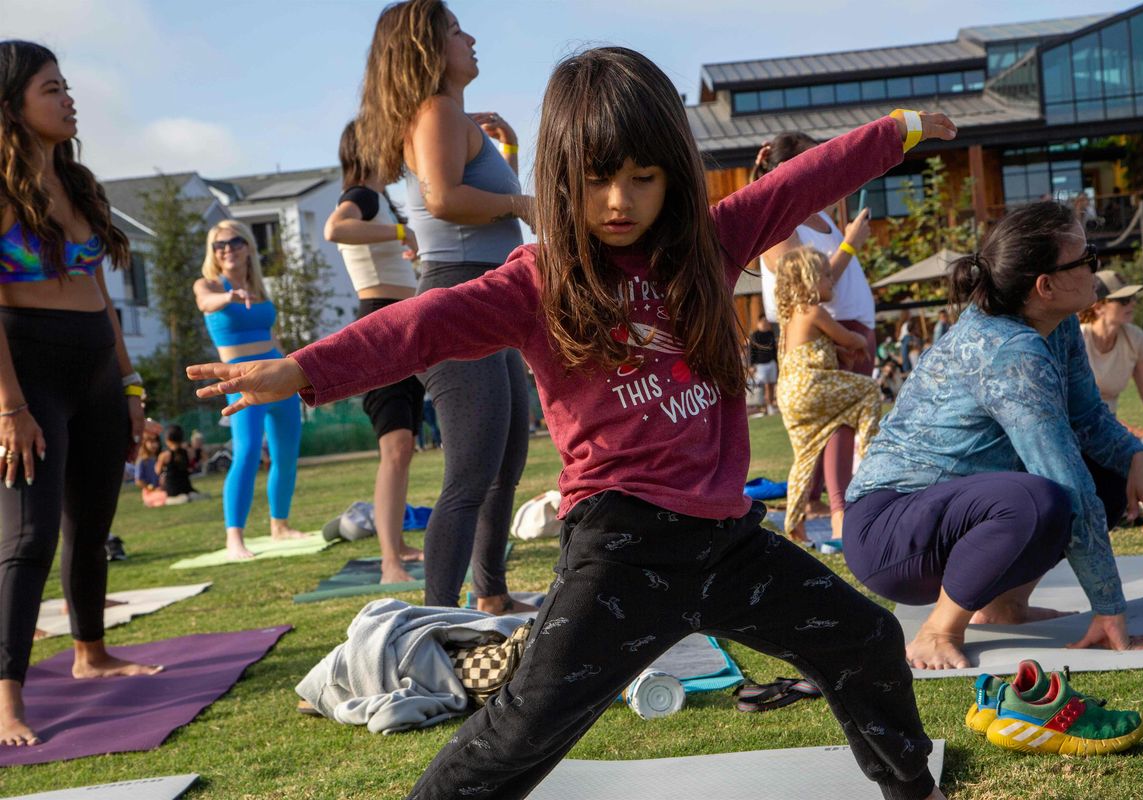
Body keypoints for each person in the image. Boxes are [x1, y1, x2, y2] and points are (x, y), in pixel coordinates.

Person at [189, 46, 957, 800]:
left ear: (673, 177)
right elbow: (420, 325)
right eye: (596, 182)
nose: (619, 202)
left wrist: (902, 128)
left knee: (868, 637)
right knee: (520, 730)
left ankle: (910, 789)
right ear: (561, 179)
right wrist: (301, 369)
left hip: (729, 546)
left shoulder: (710, 244)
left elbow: (802, 181)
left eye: (641, 179)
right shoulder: (540, 280)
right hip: (620, 552)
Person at [843, 201, 1143, 671]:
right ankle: (938, 630)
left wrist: (1137, 456)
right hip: (889, 535)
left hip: (947, 515)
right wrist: (1109, 610)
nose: (1095, 268)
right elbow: (1063, 477)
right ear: (1045, 286)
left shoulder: (1056, 324)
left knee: (1099, 475)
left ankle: (1003, 605)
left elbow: (1087, 419)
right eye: (1086, 259)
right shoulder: (1009, 353)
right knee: (1041, 498)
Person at [0, 40, 162, 747]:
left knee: (91, 528)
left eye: (67, 87)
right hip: (28, 372)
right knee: (29, 534)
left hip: (96, 369)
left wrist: (129, 383)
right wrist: (9, 407)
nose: (68, 100)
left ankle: (91, 654)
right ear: (10, 107)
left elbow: (101, 293)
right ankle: (6, 697)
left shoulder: (80, 182)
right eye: (51, 89)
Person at [356, 0, 536, 614]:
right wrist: (521, 205)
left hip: (490, 298)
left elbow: (461, 191)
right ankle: (434, 620)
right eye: (457, 30)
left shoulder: (449, 115)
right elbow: (445, 200)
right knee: (470, 472)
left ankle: (490, 596)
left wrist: (496, 147)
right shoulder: (434, 112)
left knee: (505, 459)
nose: (472, 37)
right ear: (429, 48)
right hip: (460, 297)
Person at [754, 137, 875, 517]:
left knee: (841, 420)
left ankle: (826, 500)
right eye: (815, 161)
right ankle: (834, 504)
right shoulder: (779, 220)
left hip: (849, 327)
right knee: (839, 417)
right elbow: (805, 289)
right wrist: (852, 244)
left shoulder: (818, 215)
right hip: (826, 333)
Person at [325, 119, 424, 583]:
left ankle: (399, 544)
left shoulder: (384, 203)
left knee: (404, 446)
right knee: (395, 445)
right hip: (379, 321)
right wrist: (400, 237)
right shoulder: (362, 197)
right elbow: (335, 229)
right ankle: (389, 561)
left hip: (404, 322)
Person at [193, 220, 303, 560]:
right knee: (247, 452)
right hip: (241, 379)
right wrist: (228, 296)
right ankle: (234, 537)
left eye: (234, 241)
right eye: (219, 244)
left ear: (247, 247)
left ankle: (279, 525)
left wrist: (292, 368)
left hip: (276, 374)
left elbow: (272, 338)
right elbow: (205, 303)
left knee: (286, 453)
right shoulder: (209, 285)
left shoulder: (259, 287)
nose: (227, 249)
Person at [775, 247, 880, 544]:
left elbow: (824, 351)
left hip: (791, 396)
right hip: (811, 386)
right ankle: (869, 452)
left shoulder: (790, 321)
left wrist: (839, 354)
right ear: (808, 282)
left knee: (805, 456)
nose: (832, 280)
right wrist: (860, 340)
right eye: (826, 275)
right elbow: (849, 338)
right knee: (868, 389)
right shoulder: (813, 311)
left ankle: (794, 523)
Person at [1079, 269, 1143, 418]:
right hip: (1076, 426)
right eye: (1124, 300)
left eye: (1132, 297)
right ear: (1098, 307)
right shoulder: (1078, 339)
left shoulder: (1135, 337)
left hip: (1109, 425)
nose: (1133, 303)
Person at [157, 423, 201, 505]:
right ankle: (189, 496)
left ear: (167, 440)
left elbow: (157, 471)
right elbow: (194, 462)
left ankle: (183, 498)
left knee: (170, 499)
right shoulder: (188, 452)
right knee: (192, 495)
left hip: (172, 490)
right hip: (187, 488)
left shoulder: (164, 455)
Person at [747, 314, 777, 414]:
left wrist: (776, 362)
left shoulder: (770, 334)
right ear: (759, 322)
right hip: (760, 365)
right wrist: (751, 365)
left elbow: (774, 349)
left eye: (766, 321)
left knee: (771, 385)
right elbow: (751, 351)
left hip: (771, 363)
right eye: (763, 321)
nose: (765, 323)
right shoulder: (755, 335)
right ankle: (762, 407)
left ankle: (770, 405)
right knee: (761, 386)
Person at [135, 433, 168, 507]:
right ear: (144, 443)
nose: (154, 445)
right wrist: (152, 489)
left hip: (162, 489)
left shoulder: (160, 458)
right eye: (151, 442)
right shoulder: (142, 461)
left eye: (156, 442)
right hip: (149, 492)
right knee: (165, 496)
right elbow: (138, 481)